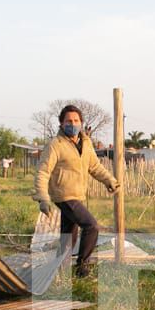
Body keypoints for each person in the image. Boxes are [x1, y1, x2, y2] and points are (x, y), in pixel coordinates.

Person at [33, 105, 121, 277]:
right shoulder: (55, 145)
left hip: (78, 195)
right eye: (68, 121)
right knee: (92, 226)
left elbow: (94, 166)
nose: (72, 124)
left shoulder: (86, 142)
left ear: (81, 122)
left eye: (75, 121)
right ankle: (82, 267)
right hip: (64, 195)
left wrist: (109, 180)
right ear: (61, 123)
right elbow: (43, 172)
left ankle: (60, 270)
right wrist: (43, 197)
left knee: (68, 236)